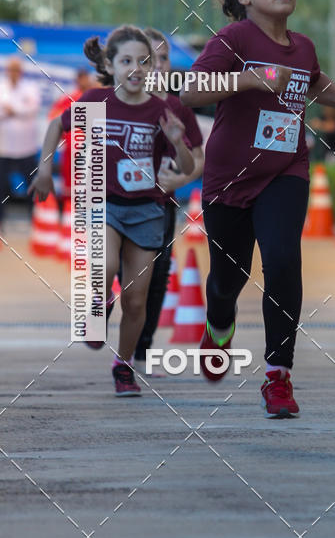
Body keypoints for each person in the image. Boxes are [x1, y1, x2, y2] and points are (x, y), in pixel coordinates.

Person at [182, 0, 335, 418]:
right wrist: (253, 78)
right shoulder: (233, 38)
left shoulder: (302, 45)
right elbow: (191, 90)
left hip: (286, 170)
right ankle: (219, 323)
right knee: (229, 277)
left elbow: (312, 77)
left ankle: (277, 375)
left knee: (282, 260)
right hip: (230, 177)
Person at [28, 25, 194, 397]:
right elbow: (57, 125)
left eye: (143, 61)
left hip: (147, 211)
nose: (135, 68)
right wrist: (43, 169)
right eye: (126, 61)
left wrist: (177, 142)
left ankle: (123, 365)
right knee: (105, 266)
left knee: (137, 301)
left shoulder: (161, 109)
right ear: (110, 65)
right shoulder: (96, 100)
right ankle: (99, 306)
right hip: (105, 205)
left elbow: (184, 168)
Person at [133, 28, 205, 369]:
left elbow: (199, 157)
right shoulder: (115, 102)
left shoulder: (177, 107)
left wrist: (181, 176)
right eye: (148, 59)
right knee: (124, 274)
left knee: (158, 274)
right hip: (117, 208)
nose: (156, 65)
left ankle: (141, 350)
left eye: (162, 58)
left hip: (161, 205)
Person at [0, 57, 41, 233]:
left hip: (26, 148)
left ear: (21, 72)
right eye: (11, 69)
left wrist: (13, 109)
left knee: (33, 186)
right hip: (4, 148)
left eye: (17, 69)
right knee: (1, 188)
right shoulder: (1, 87)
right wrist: (18, 110)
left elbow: (32, 108)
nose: (14, 73)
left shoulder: (30, 87)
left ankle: (37, 223)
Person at [48, 67, 97, 202]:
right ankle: (69, 216)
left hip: (93, 150)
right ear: (77, 81)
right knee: (69, 186)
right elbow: (53, 116)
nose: (83, 82)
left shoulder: (96, 97)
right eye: (80, 79)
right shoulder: (69, 98)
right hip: (71, 150)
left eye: (85, 78)